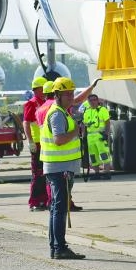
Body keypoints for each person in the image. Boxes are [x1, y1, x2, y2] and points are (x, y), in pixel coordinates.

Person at [40, 78, 86, 260]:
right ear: (57, 95)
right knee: (59, 208)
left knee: (56, 208)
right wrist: (76, 131)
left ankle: (56, 247)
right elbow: (59, 140)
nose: (71, 97)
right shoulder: (58, 114)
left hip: (59, 167)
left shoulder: (61, 112)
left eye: (72, 93)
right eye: (67, 94)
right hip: (60, 168)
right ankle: (59, 248)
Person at [22, 77, 48, 211]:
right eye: (42, 88)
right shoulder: (31, 104)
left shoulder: (46, 103)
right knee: (38, 175)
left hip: (46, 143)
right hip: (37, 144)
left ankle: (44, 200)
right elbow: (26, 123)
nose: (45, 91)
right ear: (36, 90)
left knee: (46, 174)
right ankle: (35, 202)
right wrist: (30, 141)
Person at [82, 94, 112, 179]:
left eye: (95, 99)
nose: (93, 101)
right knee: (93, 156)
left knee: (104, 154)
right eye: (91, 100)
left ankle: (107, 173)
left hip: (100, 135)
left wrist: (106, 134)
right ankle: (97, 174)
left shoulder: (103, 110)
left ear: (98, 100)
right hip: (90, 137)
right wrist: (84, 137)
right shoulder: (87, 111)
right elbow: (84, 125)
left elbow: (107, 122)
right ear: (88, 102)